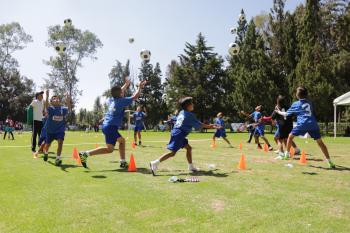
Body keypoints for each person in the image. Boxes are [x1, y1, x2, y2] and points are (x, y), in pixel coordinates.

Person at [78, 79, 147, 169]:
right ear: (120, 94)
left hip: (106, 126)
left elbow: (118, 91)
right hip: (110, 127)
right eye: (122, 91)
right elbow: (136, 96)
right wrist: (139, 87)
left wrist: (126, 84)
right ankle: (122, 162)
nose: (123, 91)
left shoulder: (112, 99)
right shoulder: (121, 101)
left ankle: (85, 154)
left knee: (110, 149)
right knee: (122, 141)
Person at [149, 97, 218, 176]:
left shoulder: (182, 112)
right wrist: (210, 126)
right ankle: (155, 163)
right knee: (172, 153)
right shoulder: (190, 115)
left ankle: (191, 167)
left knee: (189, 148)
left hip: (177, 133)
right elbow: (199, 125)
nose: (193, 105)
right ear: (188, 106)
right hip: (179, 134)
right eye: (191, 103)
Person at [275, 87, 335, 168]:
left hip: (302, 124)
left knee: (290, 137)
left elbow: (285, 114)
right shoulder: (310, 102)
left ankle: (286, 154)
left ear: (297, 95)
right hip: (313, 124)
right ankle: (329, 161)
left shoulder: (296, 104)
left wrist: (278, 111)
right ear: (306, 94)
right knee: (320, 143)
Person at [43, 90, 71, 166]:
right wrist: (47, 96)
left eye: (57, 98)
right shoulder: (51, 108)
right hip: (50, 130)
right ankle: (45, 153)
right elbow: (46, 106)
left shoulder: (62, 109)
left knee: (60, 142)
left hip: (60, 130)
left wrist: (67, 98)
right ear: (51, 101)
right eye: (54, 98)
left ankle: (57, 159)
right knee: (48, 145)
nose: (56, 99)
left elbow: (68, 107)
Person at [271, 95, 300, 159]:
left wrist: (273, 122)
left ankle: (281, 154)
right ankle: (288, 153)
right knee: (287, 139)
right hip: (289, 125)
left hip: (282, 126)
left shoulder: (277, 109)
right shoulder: (289, 107)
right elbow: (293, 115)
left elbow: (272, 117)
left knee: (279, 140)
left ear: (277, 101)